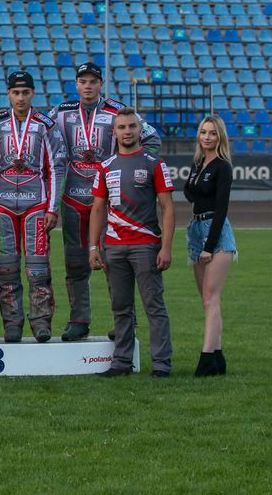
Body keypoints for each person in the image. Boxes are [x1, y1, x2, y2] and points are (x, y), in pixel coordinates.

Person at [49, 61, 161, 341]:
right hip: (73, 197)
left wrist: (126, 168)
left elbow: (152, 140)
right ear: (76, 85)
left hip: (111, 200)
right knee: (75, 262)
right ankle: (79, 319)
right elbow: (41, 137)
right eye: (83, 81)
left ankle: (125, 321)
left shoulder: (117, 111)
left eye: (93, 81)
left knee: (115, 261)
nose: (88, 86)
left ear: (101, 84)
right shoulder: (60, 113)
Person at [0, 71, 66, 343]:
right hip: (2, 206)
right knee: (6, 268)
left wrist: (52, 208)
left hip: (36, 206)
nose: (20, 97)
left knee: (38, 267)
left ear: (33, 94)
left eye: (25, 92)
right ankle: (12, 323)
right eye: (16, 93)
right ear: (8, 94)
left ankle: (41, 322)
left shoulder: (45, 124)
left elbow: (55, 168)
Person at [89, 108, 174, 378]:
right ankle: (122, 363)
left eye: (132, 126)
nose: (127, 131)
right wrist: (93, 246)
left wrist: (166, 247)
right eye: (122, 127)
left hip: (146, 246)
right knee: (121, 307)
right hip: (114, 247)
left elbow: (168, 207)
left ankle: (161, 364)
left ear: (140, 130)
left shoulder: (154, 163)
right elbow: (98, 209)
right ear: (113, 133)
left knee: (154, 306)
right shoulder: (105, 166)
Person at [184, 115, 236, 377]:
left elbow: (221, 208)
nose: (207, 137)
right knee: (207, 300)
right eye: (203, 132)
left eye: (212, 133)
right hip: (195, 229)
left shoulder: (223, 167)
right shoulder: (198, 162)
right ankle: (218, 358)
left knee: (211, 298)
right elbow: (189, 193)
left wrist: (210, 245)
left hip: (214, 233)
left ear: (220, 137)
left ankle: (206, 359)